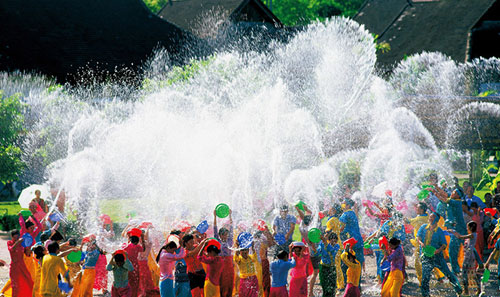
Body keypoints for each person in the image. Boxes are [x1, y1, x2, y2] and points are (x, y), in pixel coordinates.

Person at [417, 212, 462, 297]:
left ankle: (459, 291)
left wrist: (438, 250)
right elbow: (418, 237)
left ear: (437, 220)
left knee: (448, 273)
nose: (430, 219)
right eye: (430, 217)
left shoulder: (439, 231)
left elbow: (444, 244)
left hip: (437, 257)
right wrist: (421, 243)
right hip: (425, 256)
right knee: (425, 278)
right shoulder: (423, 227)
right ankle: (425, 295)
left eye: (433, 217)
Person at [434, 188, 466, 275]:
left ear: (458, 195)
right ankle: (456, 269)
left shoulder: (456, 202)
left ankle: (456, 270)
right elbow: (444, 194)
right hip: (454, 230)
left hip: (459, 230)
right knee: (460, 248)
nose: (452, 193)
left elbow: (444, 199)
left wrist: (434, 191)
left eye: (454, 192)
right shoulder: (453, 200)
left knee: (455, 250)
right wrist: (436, 187)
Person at [295, 203, 320, 297]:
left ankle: (307, 290)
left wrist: (299, 210)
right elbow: (313, 244)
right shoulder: (310, 231)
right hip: (315, 251)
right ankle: (310, 292)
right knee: (315, 271)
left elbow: (303, 217)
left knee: (311, 270)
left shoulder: (302, 227)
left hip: (310, 251)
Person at [451, 221, 482, 296]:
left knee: (465, 274)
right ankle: (478, 289)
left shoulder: (472, 235)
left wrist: (453, 232)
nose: (467, 228)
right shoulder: (473, 235)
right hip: (469, 256)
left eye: (467, 227)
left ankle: (467, 291)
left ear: (471, 228)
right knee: (471, 273)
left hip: (469, 257)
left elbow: (460, 237)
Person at [339, 199, 364, 279]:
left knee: (347, 262)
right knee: (358, 262)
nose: (342, 206)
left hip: (350, 242)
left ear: (348, 205)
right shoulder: (352, 213)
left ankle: (349, 283)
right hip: (358, 240)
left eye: (343, 204)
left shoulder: (345, 214)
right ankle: (358, 284)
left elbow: (341, 228)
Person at [213, 209, 234, 297]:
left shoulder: (229, 240)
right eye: (224, 234)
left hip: (229, 263)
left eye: (226, 234)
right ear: (220, 235)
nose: (225, 236)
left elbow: (232, 227)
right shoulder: (217, 241)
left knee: (230, 281)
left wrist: (230, 215)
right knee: (222, 282)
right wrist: (214, 216)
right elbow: (215, 229)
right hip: (220, 264)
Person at [325, 203, 345, 290]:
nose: (328, 210)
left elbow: (327, 232)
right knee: (338, 266)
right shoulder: (337, 219)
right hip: (339, 243)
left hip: (334, 245)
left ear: (334, 210)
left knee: (336, 266)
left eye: (330, 208)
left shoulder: (331, 220)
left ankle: (339, 285)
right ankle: (340, 283)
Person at [7, 229, 33, 296]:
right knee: (15, 286)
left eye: (17, 237)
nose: (16, 239)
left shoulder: (22, 244)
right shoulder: (9, 242)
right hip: (14, 267)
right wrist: (18, 242)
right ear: (12, 237)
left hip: (22, 266)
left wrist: (29, 248)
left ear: (19, 236)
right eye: (14, 237)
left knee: (29, 281)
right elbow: (11, 249)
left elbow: (27, 254)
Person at [314, 232, 340, 297]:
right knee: (325, 287)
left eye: (335, 240)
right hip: (323, 268)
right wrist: (312, 245)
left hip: (332, 268)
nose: (333, 242)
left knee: (332, 287)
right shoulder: (322, 244)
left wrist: (325, 242)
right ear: (329, 240)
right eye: (332, 240)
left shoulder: (337, 246)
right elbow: (316, 253)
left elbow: (331, 250)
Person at [125, 229, 145, 297]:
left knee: (128, 283)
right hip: (136, 268)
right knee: (135, 284)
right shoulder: (138, 247)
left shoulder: (126, 247)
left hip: (127, 267)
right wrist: (142, 238)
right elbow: (144, 249)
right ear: (137, 241)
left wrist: (129, 237)